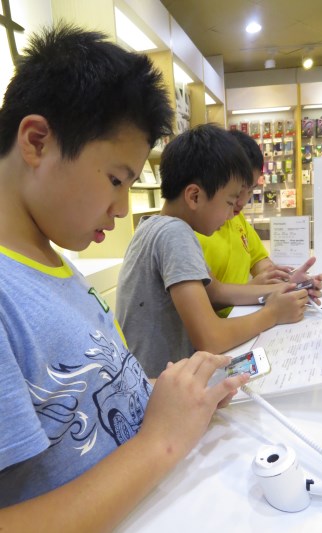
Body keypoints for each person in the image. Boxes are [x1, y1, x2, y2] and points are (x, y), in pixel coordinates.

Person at [0, 25, 250, 530]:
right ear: (37, 142)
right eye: (116, 180)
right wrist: (162, 440)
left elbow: (95, 403)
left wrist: (175, 394)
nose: (120, 208)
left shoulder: (53, 261)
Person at [116, 124, 319, 378]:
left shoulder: (155, 227)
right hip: (159, 386)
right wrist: (273, 314)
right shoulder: (174, 234)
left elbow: (217, 291)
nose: (231, 214)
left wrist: (285, 289)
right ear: (194, 196)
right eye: (229, 202)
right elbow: (210, 339)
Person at [196, 128, 322, 316]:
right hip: (232, 324)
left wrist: (287, 283)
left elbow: (261, 263)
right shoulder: (194, 230)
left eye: (250, 190)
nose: (242, 201)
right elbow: (206, 301)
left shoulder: (237, 219)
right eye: (238, 191)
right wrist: (260, 292)